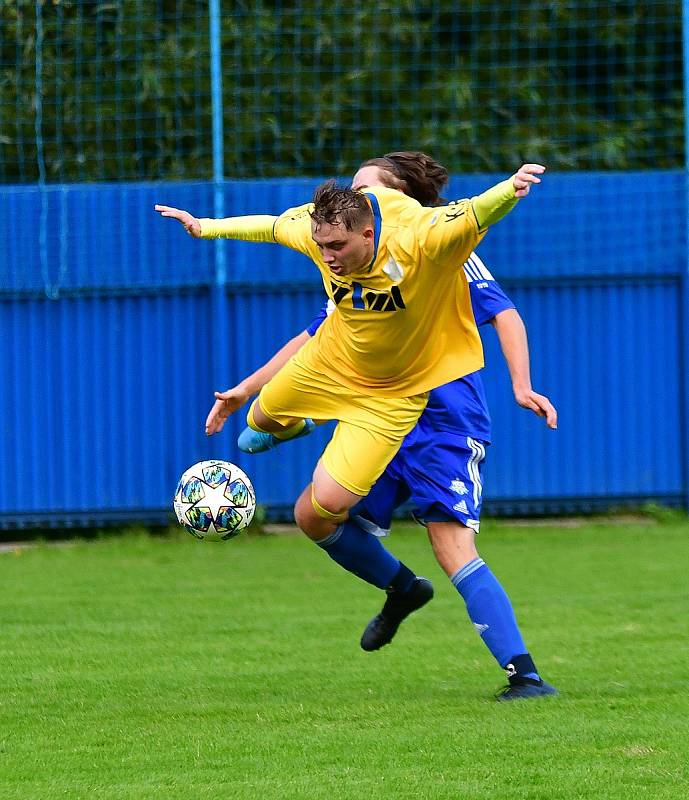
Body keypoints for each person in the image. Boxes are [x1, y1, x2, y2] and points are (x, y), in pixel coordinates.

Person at [155, 158, 545, 695]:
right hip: (365, 394)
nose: (355, 192)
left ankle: (523, 673)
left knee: (450, 544)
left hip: (440, 415)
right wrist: (249, 391)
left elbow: (503, 310)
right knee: (311, 515)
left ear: (396, 199)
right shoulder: (343, 255)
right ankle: (402, 589)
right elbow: (319, 334)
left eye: (367, 186)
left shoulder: (439, 249)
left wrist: (521, 386)